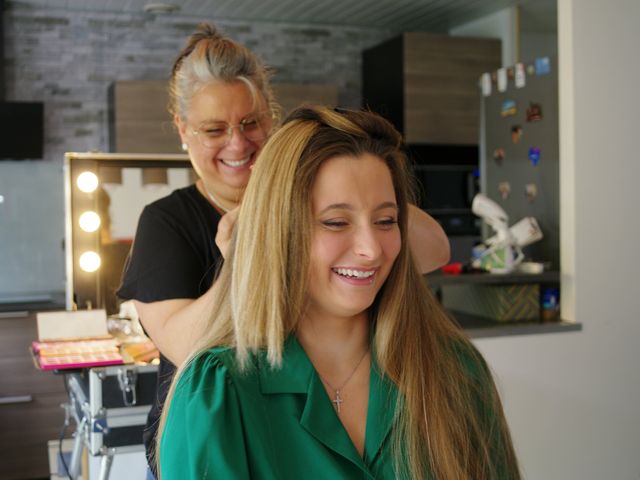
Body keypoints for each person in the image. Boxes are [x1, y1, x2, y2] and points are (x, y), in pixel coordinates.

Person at [117, 24, 450, 476]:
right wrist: (250, 253)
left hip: (327, 418)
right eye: (215, 129)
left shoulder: (313, 193)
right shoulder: (165, 222)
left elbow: (432, 249)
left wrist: (355, 203)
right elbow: (185, 345)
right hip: (221, 433)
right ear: (183, 130)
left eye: (250, 123)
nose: (237, 143)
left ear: (271, 119)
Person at [157, 105, 521, 479]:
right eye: (335, 222)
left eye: (385, 221)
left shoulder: (454, 369)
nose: (372, 249)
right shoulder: (217, 393)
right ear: (279, 232)